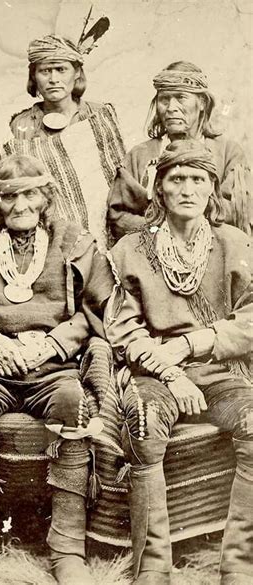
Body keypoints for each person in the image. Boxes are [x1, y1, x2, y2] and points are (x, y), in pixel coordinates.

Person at [0, 154, 113, 584]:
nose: (20, 205)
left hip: (52, 367)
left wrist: (54, 341)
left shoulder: (75, 241)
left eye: (30, 194)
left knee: (73, 401)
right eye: (9, 196)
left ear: (46, 197)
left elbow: (98, 309)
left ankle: (66, 548)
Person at [104, 140, 252, 584]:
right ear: (159, 190)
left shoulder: (233, 242)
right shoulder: (131, 249)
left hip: (218, 369)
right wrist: (171, 372)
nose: (188, 189)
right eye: (176, 179)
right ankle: (152, 569)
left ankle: (239, 565)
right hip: (154, 375)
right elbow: (123, 330)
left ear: (212, 189)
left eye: (198, 180)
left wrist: (194, 344)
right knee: (145, 428)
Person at [5, 34, 125, 252]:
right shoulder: (22, 124)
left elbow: (118, 177)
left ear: (77, 72)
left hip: (108, 226)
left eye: (61, 69)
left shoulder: (99, 115)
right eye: (45, 71)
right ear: (34, 76)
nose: (53, 79)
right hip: (53, 235)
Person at [108, 61, 252, 241]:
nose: (171, 108)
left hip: (213, 249)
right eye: (164, 99)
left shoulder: (228, 152)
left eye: (181, 97)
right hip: (152, 249)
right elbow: (119, 216)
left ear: (202, 103)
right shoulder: (140, 155)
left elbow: (236, 211)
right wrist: (161, 233)